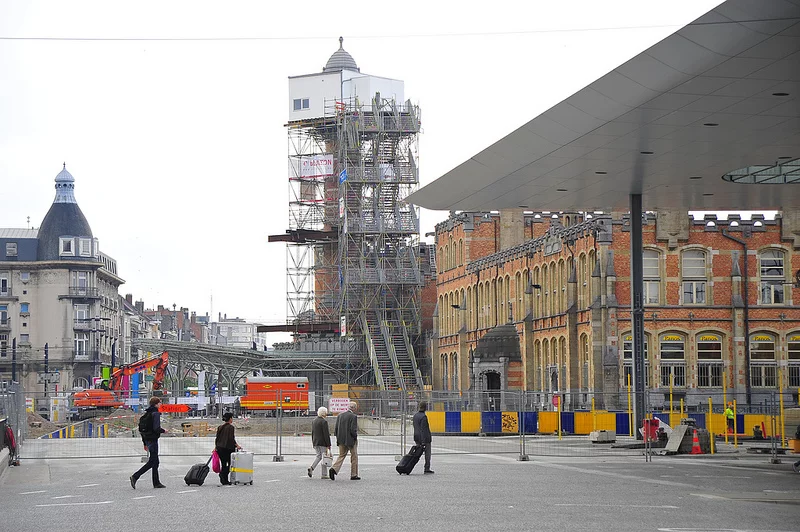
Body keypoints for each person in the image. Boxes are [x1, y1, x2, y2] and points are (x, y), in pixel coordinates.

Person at [130, 396, 167, 489]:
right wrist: (164, 431)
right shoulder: (156, 414)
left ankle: (156, 482)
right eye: (159, 402)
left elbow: (142, 430)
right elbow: (156, 428)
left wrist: (144, 443)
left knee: (156, 462)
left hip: (147, 439)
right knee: (152, 461)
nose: (160, 404)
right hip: (153, 439)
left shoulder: (146, 414)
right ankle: (135, 476)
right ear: (156, 404)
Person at [330, 401, 359, 481]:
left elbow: (336, 429)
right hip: (350, 440)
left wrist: (338, 438)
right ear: (354, 408)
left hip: (341, 439)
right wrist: (355, 437)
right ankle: (354, 474)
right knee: (354, 457)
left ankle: (334, 469)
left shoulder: (340, 415)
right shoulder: (353, 416)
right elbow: (353, 430)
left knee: (341, 455)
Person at [215, 412, 242, 485]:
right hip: (227, 449)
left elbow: (217, 438)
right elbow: (231, 438)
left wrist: (215, 447)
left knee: (224, 464)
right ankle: (223, 476)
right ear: (230, 419)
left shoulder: (220, 427)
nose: (232, 419)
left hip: (220, 448)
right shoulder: (231, 427)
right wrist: (237, 445)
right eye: (232, 418)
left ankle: (224, 480)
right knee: (229, 464)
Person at [308, 406, 331, 479]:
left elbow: (313, 432)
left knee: (318, 456)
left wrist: (313, 442)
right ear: (324, 413)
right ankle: (324, 474)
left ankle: (312, 468)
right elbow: (326, 434)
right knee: (324, 457)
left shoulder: (314, 420)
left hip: (315, 441)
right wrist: (328, 444)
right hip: (322, 442)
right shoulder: (324, 421)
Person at [413, 401, 434, 474]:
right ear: (425, 408)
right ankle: (427, 468)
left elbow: (415, 427)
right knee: (427, 454)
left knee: (416, 454)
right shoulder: (424, 417)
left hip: (416, 437)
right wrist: (424, 441)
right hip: (425, 438)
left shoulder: (415, 416)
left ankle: (409, 465)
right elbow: (424, 429)